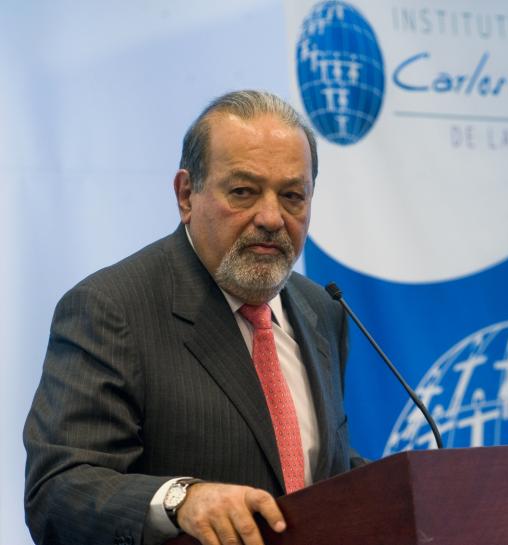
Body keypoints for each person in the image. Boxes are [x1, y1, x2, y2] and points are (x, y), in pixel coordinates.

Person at [24, 90, 363, 545]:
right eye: (243, 191)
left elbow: (313, 470)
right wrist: (180, 499)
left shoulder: (322, 310)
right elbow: (58, 491)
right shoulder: (110, 309)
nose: (270, 217)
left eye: (292, 196)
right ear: (187, 194)